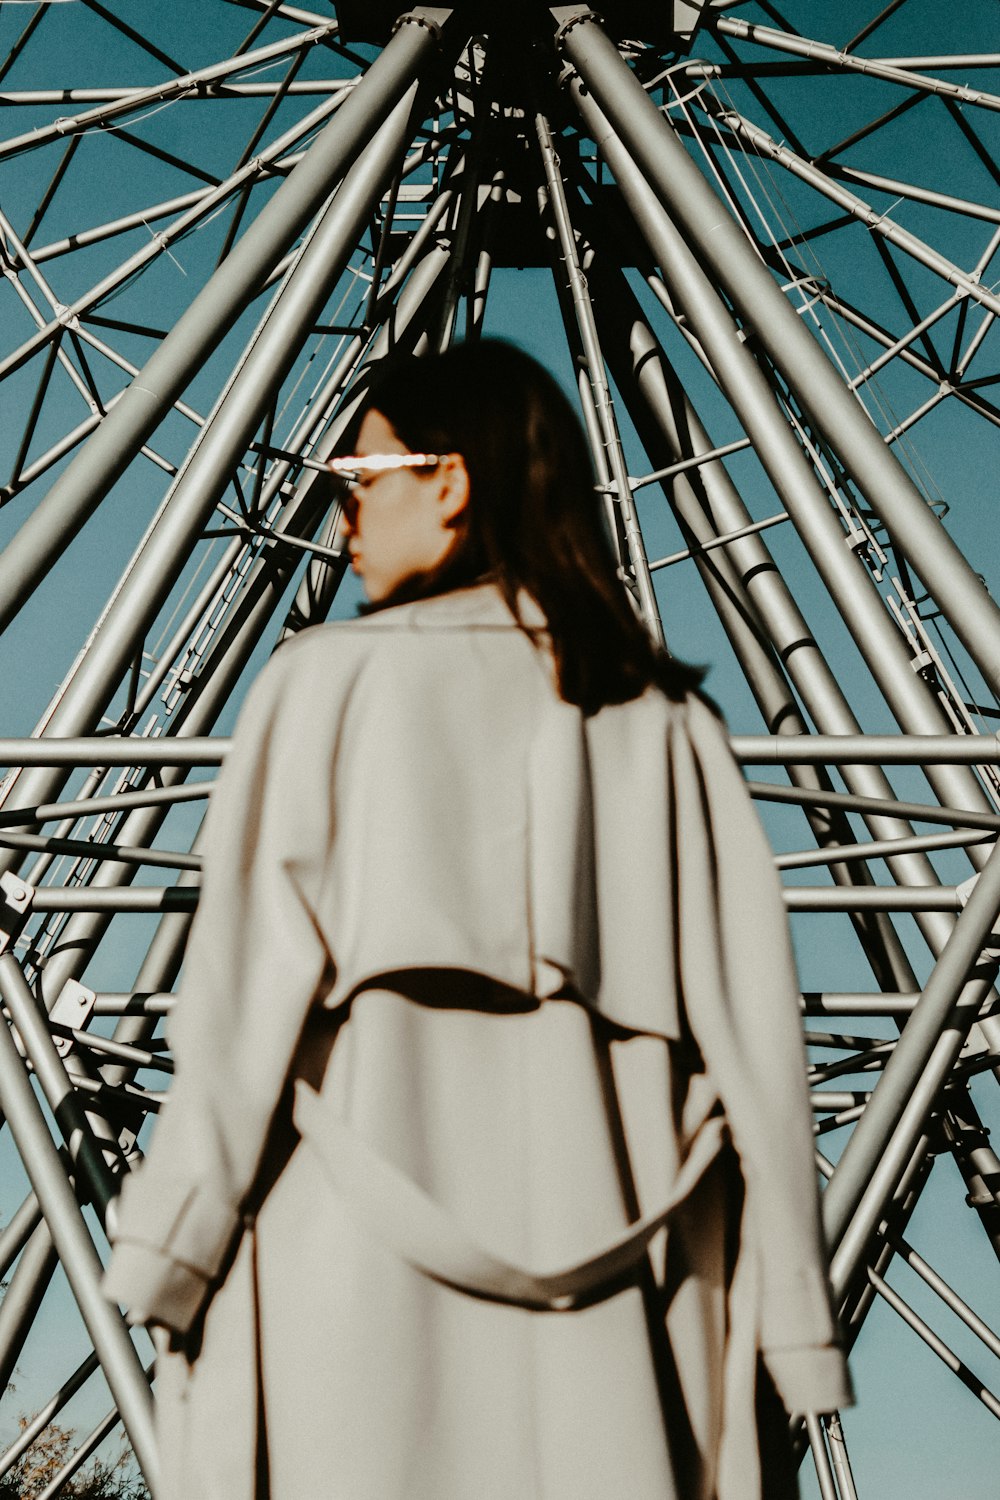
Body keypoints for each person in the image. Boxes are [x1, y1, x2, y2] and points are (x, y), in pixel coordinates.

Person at [103, 340, 851, 1500]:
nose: (342, 515)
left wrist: (166, 1258)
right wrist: (794, 1319)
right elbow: (760, 1047)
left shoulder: (323, 685)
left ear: (448, 484)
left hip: (348, 1273)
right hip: (619, 1279)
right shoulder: (668, 728)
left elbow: (234, 1023)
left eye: (361, 478)